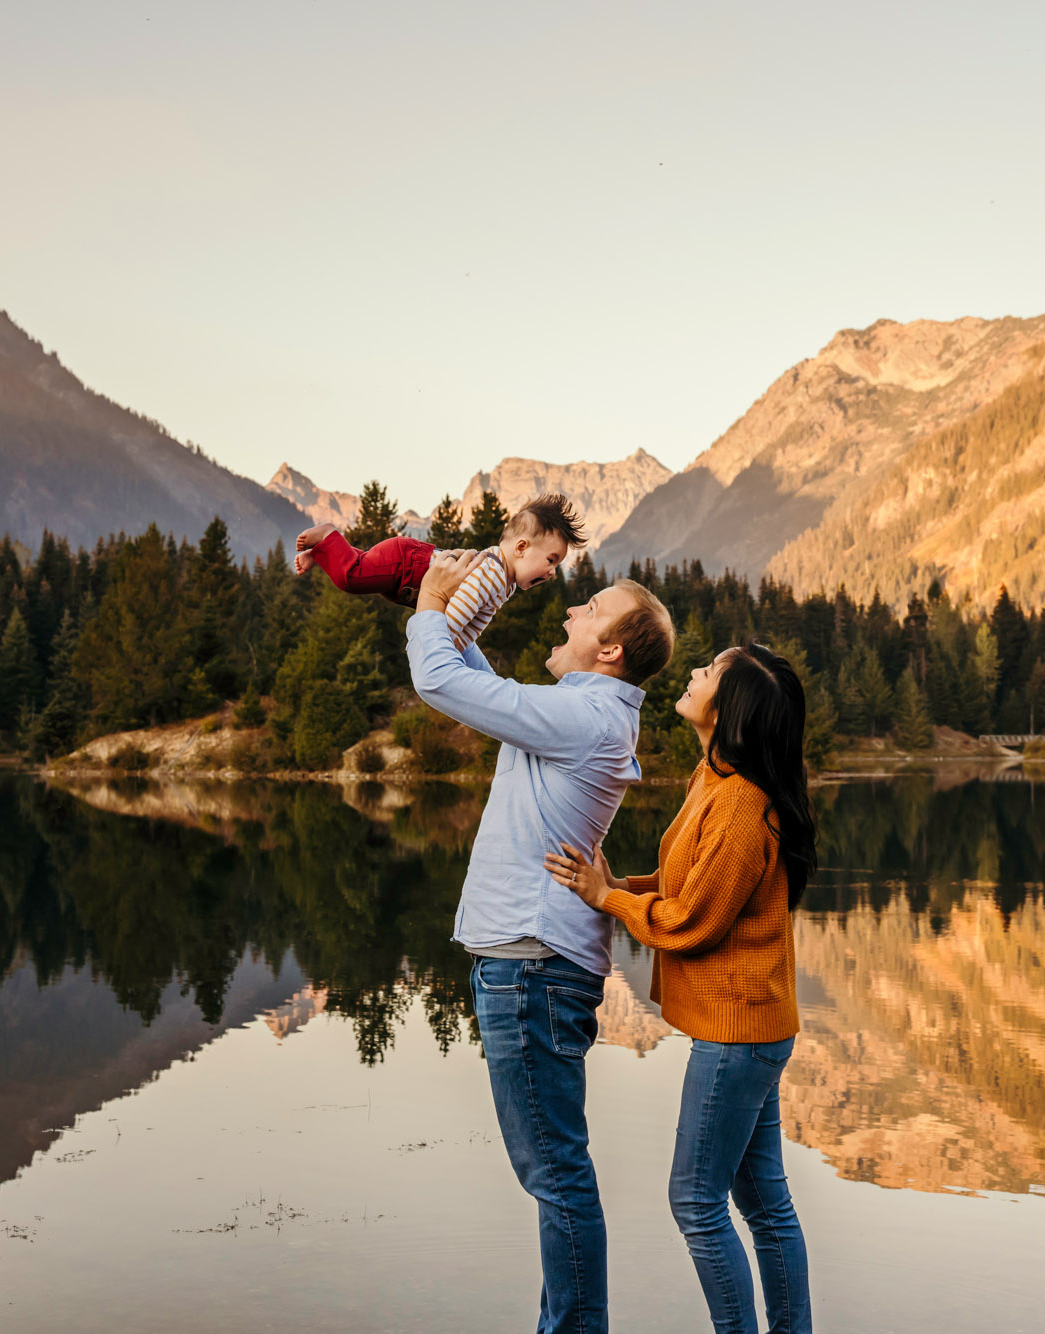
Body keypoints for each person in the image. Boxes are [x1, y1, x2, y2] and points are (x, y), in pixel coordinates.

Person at [406, 547, 676, 1334]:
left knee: (555, 1172)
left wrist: (429, 604)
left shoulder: (585, 717)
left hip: (530, 969)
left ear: (611, 651)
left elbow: (443, 684)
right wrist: (459, 608)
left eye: (587, 609)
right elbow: (482, 689)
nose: (567, 611)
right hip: (531, 965)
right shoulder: (585, 713)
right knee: (556, 1170)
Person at [546, 643, 817, 1334]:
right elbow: (684, 889)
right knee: (763, 1202)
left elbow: (692, 921)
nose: (692, 674)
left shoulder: (740, 805)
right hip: (754, 1029)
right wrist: (617, 888)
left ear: (728, 709)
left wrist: (607, 899)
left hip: (738, 1036)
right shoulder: (717, 779)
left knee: (695, 1200)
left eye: (707, 672)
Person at [296, 493, 585, 650]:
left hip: (407, 574)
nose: (552, 573)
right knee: (352, 578)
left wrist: (460, 647)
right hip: (408, 565)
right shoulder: (492, 574)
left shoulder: (504, 582)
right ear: (520, 547)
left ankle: (320, 554)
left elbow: (475, 623)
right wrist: (442, 649)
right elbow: (454, 616)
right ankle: (328, 536)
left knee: (364, 569)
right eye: (551, 560)